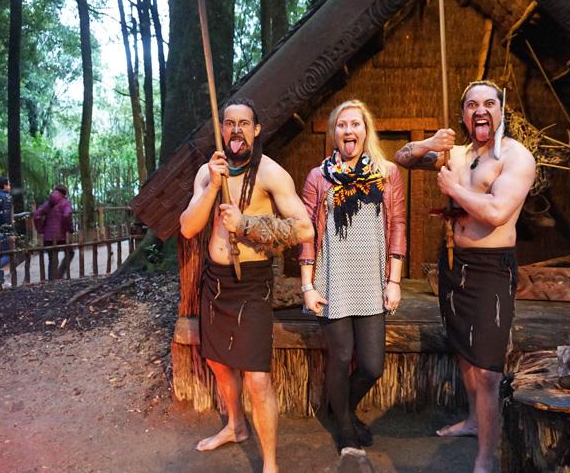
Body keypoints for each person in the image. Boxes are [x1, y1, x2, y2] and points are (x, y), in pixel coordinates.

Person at [394, 80, 536, 472]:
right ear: (464, 115)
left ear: (500, 111)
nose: (480, 110)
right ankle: (474, 421)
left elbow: (495, 212)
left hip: (492, 269)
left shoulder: (516, 157)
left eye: (489, 103)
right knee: (462, 351)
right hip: (455, 263)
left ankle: (487, 458)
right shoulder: (454, 154)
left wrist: (455, 189)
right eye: (472, 104)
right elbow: (401, 157)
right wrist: (428, 145)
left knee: (489, 370)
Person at [180, 98, 313, 473]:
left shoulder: (271, 173)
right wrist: (211, 189)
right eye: (229, 123)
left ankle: (270, 464)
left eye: (244, 123)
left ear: (256, 130)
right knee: (218, 362)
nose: (236, 130)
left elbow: (305, 229)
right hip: (215, 282)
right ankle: (236, 426)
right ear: (222, 130)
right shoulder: (209, 174)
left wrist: (248, 224)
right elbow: (188, 227)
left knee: (256, 377)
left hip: (252, 283)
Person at [299, 100, 406, 455]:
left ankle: (342, 408)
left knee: (373, 365)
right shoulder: (319, 177)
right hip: (333, 281)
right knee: (342, 357)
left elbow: (398, 228)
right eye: (342, 125)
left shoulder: (387, 173)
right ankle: (344, 427)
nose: (349, 131)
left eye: (355, 124)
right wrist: (307, 286)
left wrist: (394, 281)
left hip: (373, 282)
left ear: (365, 131)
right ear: (334, 132)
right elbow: (306, 234)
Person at [33, 184, 74, 280]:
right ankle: (59, 274)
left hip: (48, 236)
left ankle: (52, 281)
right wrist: (69, 228)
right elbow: (67, 215)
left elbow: (36, 215)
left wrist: (41, 228)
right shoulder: (65, 203)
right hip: (61, 236)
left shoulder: (48, 203)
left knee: (52, 259)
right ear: (65, 193)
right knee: (70, 252)